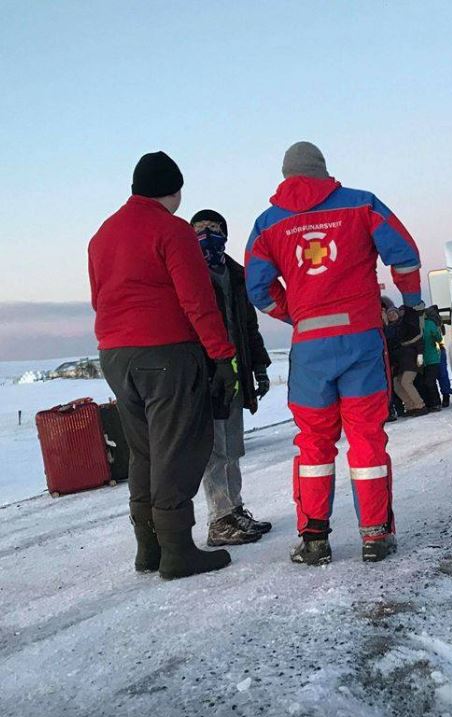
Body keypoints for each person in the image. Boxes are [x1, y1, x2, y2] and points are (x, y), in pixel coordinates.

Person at [245, 142, 423, 565]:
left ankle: (314, 539)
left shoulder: (267, 225)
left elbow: (256, 288)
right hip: (361, 341)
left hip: (310, 354)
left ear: (286, 176)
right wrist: (412, 303)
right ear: (324, 170)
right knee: (365, 438)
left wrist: (299, 315)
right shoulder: (362, 205)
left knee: (313, 444)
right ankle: (375, 535)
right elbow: (405, 255)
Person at [88, 152, 237, 580]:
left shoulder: (102, 235)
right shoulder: (171, 230)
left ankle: (148, 549)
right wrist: (221, 355)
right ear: (172, 190)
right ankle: (177, 553)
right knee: (176, 449)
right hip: (166, 352)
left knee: (144, 453)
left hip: (115, 356)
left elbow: (100, 300)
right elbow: (196, 299)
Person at [190, 209, 274, 546]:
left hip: (235, 371)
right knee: (215, 450)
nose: (207, 234)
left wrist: (261, 367)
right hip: (207, 373)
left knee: (234, 447)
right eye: (200, 228)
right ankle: (218, 519)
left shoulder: (236, 275)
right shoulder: (188, 274)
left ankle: (234, 508)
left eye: (214, 228)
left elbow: (249, 327)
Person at [394, 303, 427, 416]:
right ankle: (410, 406)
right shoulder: (397, 327)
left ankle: (420, 405)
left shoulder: (411, 326)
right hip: (402, 363)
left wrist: (420, 356)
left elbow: (419, 343)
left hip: (412, 361)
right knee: (397, 384)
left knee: (405, 382)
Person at [421, 307, 444, 411]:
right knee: (425, 383)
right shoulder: (416, 325)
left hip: (432, 358)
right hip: (421, 360)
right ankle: (429, 403)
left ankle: (436, 403)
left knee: (430, 381)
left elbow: (438, 338)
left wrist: (435, 335)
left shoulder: (429, 323)